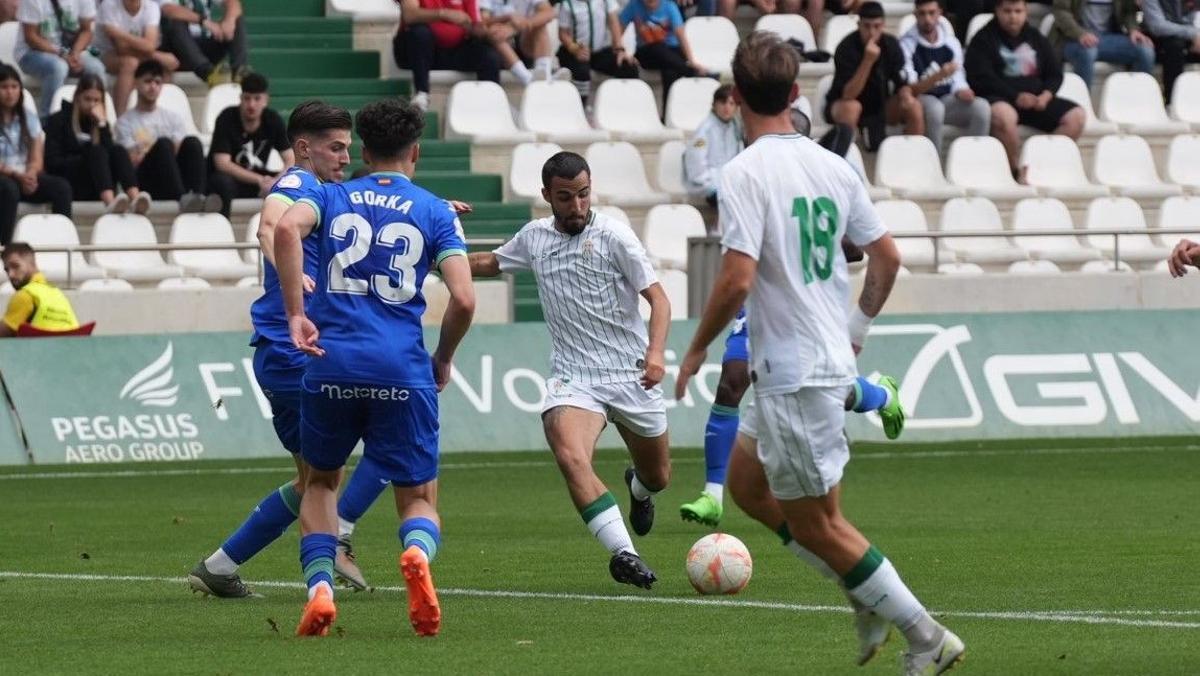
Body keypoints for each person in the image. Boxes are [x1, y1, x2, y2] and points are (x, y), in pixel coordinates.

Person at [675, 32, 965, 673]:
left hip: (795, 373)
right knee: (749, 487)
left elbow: (737, 277)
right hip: (811, 362)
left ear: (739, 93)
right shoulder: (834, 165)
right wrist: (854, 330)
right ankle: (864, 594)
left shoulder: (744, 171)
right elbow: (887, 257)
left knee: (822, 524)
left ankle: (925, 637)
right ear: (795, 92)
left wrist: (696, 348)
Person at [275, 97, 476, 637]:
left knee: (319, 483)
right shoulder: (435, 210)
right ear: (415, 151)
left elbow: (287, 230)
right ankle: (415, 553)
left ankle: (320, 587)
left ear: (363, 150)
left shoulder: (330, 194)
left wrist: (297, 313)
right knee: (417, 496)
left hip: (330, 364)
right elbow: (464, 299)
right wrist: (443, 357)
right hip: (402, 370)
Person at [188, 101, 380, 597]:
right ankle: (331, 548)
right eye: (335, 147)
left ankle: (221, 566)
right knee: (380, 441)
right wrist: (291, 273)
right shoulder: (297, 184)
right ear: (302, 148)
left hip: (294, 352)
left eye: (348, 146)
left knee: (314, 479)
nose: (344, 155)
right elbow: (270, 227)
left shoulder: (325, 192)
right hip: (296, 352)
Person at [467, 151, 672, 590]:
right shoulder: (534, 237)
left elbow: (659, 299)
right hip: (574, 378)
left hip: (631, 374)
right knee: (570, 456)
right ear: (547, 196)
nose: (577, 206)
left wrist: (656, 353)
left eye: (583, 194)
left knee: (659, 476)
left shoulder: (616, 237)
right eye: (565, 198)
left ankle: (639, 489)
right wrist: (433, 260)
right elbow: (489, 263)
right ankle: (624, 552)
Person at [966, 0, 1085, 176]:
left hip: (1036, 100)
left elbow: (1054, 73)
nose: (1013, 16)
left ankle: (1038, 166)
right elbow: (982, 78)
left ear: (1025, 11)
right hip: (1001, 98)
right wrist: (1015, 96)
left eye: (1018, 11)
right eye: (1007, 11)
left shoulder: (1036, 37)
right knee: (1004, 117)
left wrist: (1045, 95)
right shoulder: (983, 39)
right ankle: (1014, 171)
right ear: (997, 11)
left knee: (1077, 117)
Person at [116, 59, 214, 211]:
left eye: (157, 82)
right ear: (136, 83)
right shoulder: (125, 122)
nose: (153, 87)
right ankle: (183, 199)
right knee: (164, 144)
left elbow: (180, 150)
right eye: (147, 81)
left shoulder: (173, 118)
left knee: (193, 142)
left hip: (172, 172)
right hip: (147, 180)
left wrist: (147, 150)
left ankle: (199, 196)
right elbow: (131, 159)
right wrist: (162, 150)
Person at [44, 73, 149, 215]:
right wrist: (86, 155)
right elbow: (52, 162)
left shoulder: (101, 123)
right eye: (87, 99)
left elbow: (111, 154)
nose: (92, 105)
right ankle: (110, 203)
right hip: (71, 181)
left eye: (96, 101)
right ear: (77, 97)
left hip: (98, 181)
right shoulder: (58, 120)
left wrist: (101, 124)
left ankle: (135, 198)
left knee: (118, 150)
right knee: (96, 152)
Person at [828, 2, 924, 150]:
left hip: (881, 104)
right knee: (853, 107)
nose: (872, 32)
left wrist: (905, 93)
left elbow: (901, 81)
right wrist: (868, 61)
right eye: (867, 26)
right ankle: (844, 160)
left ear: (883, 25)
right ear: (859, 24)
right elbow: (848, 94)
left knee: (913, 105)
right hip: (843, 104)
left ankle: (912, 156)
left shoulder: (891, 44)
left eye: (877, 26)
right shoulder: (846, 48)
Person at [900, 0, 990, 153]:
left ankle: (972, 162)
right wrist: (938, 76)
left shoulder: (951, 42)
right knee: (935, 108)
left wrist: (962, 90)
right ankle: (933, 163)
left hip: (948, 99)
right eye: (922, 13)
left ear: (940, 13)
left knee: (981, 108)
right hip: (922, 99)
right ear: (915, 14)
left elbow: (959, 76)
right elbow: (911, 88)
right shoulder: (906, 44)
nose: (927, 19)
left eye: (931, 13)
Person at [0, 65, 72, 246]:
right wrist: (17, 175)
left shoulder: (28, 117)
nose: (10, 92)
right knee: (9, 190)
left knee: (61, 187)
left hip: (24, 178)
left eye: (14, 87)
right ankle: (4, 247)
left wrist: (31, 173)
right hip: (5, 178)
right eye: (4, 87)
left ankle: (62, 245)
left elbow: (36, 154)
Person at [207, 72, 292, 218]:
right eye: (247, 98)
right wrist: (260, 180)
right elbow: (222, 163)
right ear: (240, 99)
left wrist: (276, 181)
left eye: (257, 99)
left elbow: (291, 159)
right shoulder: (227, 118)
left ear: (265, 100)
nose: (251, 104)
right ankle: (223, 229)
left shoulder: (273, 120)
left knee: (293, 184)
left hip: (258, 180)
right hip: (229, 179)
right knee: (222, 182)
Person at [394, 0, 502, 111]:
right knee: (419, 32)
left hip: (451, 51)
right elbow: (410, 15)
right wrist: (444, 14)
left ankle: (491, 105)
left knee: (489, 56)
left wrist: (484, 31)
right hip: (415, 52)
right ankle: (421, 94)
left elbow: (474, 23)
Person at [14, 0, 108, 119]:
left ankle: (97, 120)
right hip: (32, 53)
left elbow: (87, 30)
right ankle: (49, 120)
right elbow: (31, 37)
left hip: (71, 50)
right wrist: (62, 54)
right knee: (58, 67)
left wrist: (75, 53)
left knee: (97, 68)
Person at [96, 0, 180, 117]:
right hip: (107, 54)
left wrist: (119, 33)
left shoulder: (151, 7)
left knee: (165, 66)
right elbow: (121, 48)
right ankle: (121, 117)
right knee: (130, 63)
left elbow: (150, 45)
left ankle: (155, 115)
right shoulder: (109, 5)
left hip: (140, 54)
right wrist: (153, 52)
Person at [619, 0, 709, 107]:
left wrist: (691, 60)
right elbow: (618, 31)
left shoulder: (669, 6)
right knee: (658, 47)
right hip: (647, 52)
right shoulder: (633, 5)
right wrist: (622, 51)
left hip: (671, 52)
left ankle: (667, 115)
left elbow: (681, 37)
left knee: (670, 71)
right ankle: (689, 71)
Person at [1050, 0, 1153, 89]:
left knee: (1144, 50)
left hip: (1107, 38)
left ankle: (1137, 104)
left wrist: (1133, 29)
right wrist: (1080, 34)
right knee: (1088, 52)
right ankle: (1082, 106)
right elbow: (1061, 11)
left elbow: (1128, 12)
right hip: (1072, 38)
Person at [557, 0, 640, 108]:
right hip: (574, 51)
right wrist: (574, 48)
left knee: (629, 67)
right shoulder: (567, 4)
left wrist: (620, 49)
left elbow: (614, 22)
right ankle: (579, 110)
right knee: (582, 72)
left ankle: (626, 108)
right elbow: (563, 33)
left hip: (600, 51)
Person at [159, 0, 247, 85]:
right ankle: (208, 72)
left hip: (205, 44)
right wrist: (204, 21)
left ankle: (239, 71)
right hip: (176, 50)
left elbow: (233, 2)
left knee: (236, 17)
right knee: (175, 21)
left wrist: (229, 21)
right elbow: (168, 9)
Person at [481, 0, 570, 84]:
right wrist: (508, 17)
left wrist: (518, 27)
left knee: (540, 25)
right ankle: (527, 79)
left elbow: (549, 13)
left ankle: (544, 75)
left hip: (524, 43)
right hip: (498, 48)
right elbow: (483, 21)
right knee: (495, 32)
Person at [0, 242, 78, 336]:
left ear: (32, 263)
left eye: (15, 266)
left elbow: (3, 334)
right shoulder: (59, 294)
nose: (10, 275)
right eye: (7, 270)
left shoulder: (24, 295)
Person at [683, 84, 742, 208]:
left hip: (728, 182)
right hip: (709, 185)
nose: (727, 108)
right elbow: (696, 168)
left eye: (731, 104)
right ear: (714, 105)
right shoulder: (704, 131)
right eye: (723, 103)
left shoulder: (735, 127)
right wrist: (713, 185)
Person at [1142, 0, 1200, 103]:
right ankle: (1172, 101)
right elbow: (1158, 27)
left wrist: (1196, 37)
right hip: (1157, 40)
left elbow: (1193, 21)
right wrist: (1193, 33)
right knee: (1174, 47)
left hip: (1185, 37)